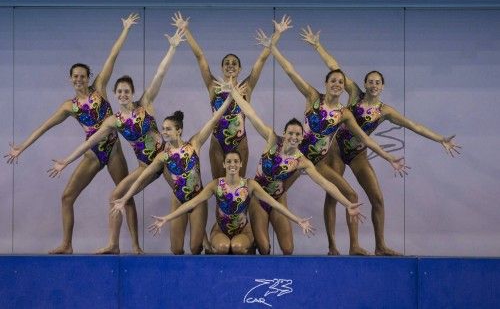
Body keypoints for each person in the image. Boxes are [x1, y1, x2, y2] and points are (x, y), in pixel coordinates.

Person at [300, 26, 461, 255]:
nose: (374, 85)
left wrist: (440, 139)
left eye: (378, 82)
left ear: (382, 87)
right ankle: (335, 246)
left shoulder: (385, 111)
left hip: (358, 154)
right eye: (370, 81)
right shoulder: (354, 94)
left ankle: (380, 245)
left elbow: (413, 125)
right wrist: (317, 46)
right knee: (335, 196)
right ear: (365, 84)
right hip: (335, 149)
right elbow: (334, 67)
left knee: (377, 199)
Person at [256, 29, 407, 255]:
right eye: (333, 80)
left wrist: (388, 157)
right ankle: (255, 220)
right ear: (326, 83)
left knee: (350, 195)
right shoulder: (313, 97)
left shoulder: (344, 113)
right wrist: (272, 47)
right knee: (273, 189)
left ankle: (351, 246)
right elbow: (290, 71)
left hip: (314, 162)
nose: (337, 84)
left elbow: (364, 138)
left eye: (340, 81)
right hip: (295, 156)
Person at [4, 13, 140, 254]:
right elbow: (44, 126)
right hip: (92, 153)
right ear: (70, 79)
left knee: (125, 197)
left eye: (82, 76)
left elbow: (113, 55)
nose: (79, 79)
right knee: (67, 197)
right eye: (75, 77)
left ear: (88, 78)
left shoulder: (99, 88)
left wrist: (126, 29)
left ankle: (134, 246)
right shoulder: (70, 106)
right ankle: (67, 244)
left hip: (113, 150)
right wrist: (21, 147)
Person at [48, 27, 185, 254]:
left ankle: (204, 242)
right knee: (116, 196)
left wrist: (172, 47)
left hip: (165, 160)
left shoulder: (145, 105)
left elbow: (159, 73)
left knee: (185, 195)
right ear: (115, 94)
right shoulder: (114, 121)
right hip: (146, 167)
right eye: (119, 92)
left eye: (126, 91)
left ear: (132, 93)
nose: (122, 95)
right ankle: (113, 244)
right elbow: (89, 142)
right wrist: (66, 160)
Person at [220, 80, 365, 255]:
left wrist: (347, 204)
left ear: (302, 137)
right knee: (265, 249)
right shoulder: (272, 140)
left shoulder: (301, 161)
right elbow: (251, 114)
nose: (293, 137)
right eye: (290, 133)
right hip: (259, 200)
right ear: (285, 133)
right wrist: (234, 93)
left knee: (288, 249)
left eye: (297, 134)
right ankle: (253, 240)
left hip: (278, 199)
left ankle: (256, 237)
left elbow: (326, 184)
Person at [170, 12, 291, 179]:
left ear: (240, 69)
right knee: (220, 187)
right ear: (222, 68)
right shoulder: (214, 86)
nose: (230, 66)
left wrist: (277, 34)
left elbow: (262, 60)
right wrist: (185, 30)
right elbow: (200, 57)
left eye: (234, 63)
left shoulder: (246, 87)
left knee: (239, 186)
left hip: (240, 141)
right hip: (217, 142)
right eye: (226, 63)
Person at [110, 94, 233, 255]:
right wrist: (125, 198)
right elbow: (142, 176)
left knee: (195, 248)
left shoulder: (194, 144)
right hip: (178, 200)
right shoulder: (163, 156)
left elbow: (214, 120)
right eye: (163, 129)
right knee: (176, 249)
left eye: (168, 129)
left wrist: (230, 99)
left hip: (197, 199)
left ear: (179, 130)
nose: (164, 132)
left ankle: (203, 252)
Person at [148, 150, 315, 254]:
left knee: (236, 248)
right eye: (229, 162)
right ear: (224, 164)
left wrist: (297, 219)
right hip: (221, 230)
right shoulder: (216, 185)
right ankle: (215, 249)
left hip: (243, 230)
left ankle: (250, 246)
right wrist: (167, 218)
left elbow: (274, 203)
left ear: (241, 164)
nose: (232, 164)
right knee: (222, 247)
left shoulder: (250, 185)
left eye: (236, 161)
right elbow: (192, 203)